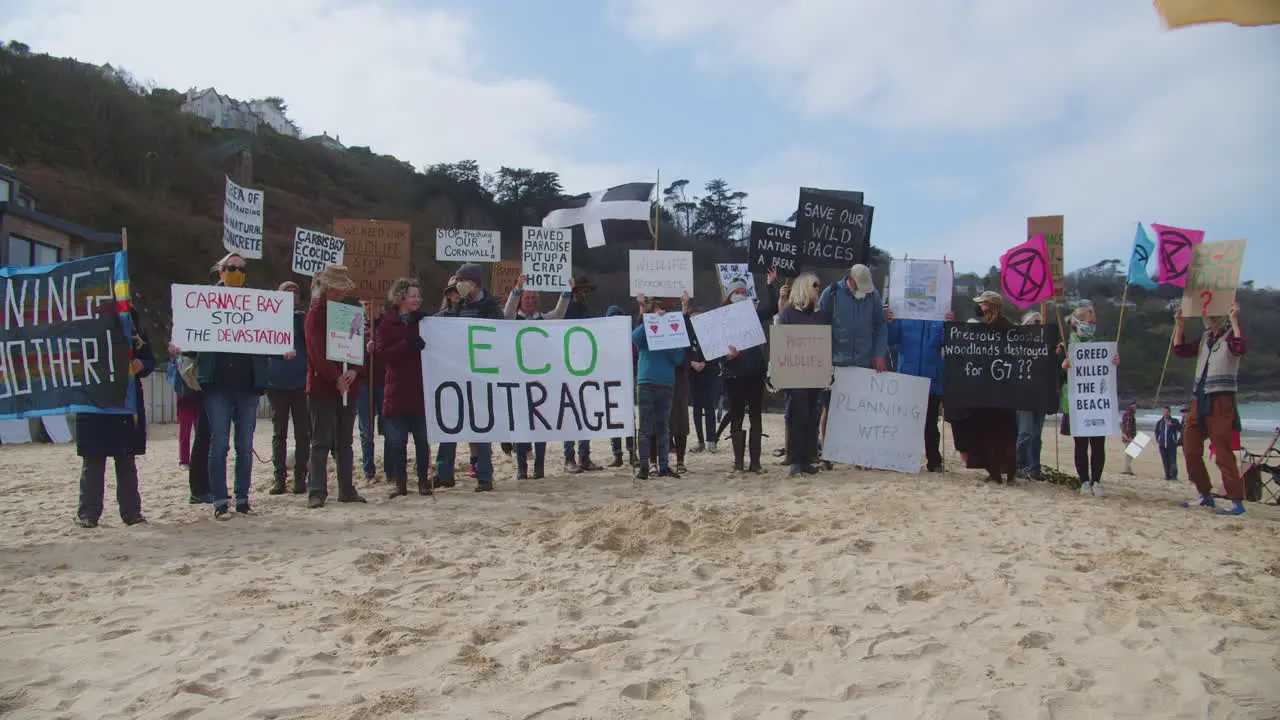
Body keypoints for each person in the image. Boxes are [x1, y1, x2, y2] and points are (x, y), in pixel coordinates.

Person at [170, 252, 284, 520]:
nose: (237, 273)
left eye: (242, 269)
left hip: (248, 384)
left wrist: (282, 351)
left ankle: (242, 499)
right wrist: (180, 345)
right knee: (219, 443)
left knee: (244, 443)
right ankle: (220, 500)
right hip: (217, 384)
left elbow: (269, 338)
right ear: (221, 271)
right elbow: (193, 338)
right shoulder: (204, 303)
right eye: (232, 268)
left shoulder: (256, 303)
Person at [75, 309, 155, 528]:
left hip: (126, 400)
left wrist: (143, 364)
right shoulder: (85, 318)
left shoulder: (131, 318)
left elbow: (149, 358)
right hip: (95, 399)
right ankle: (88, 514)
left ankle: (131, 512)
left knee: (126, 459)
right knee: (93, 459)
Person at [434, 262, 504, 491]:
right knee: (449, 423)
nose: (458, 285)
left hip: (481, 376)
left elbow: (500, 336)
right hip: (457, 373)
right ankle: (444, 473)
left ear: (473, 283)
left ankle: (485, 476)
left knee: (481, 425)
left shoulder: (492, 307)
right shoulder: (458, 306)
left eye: (461, 281)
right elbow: (443, 324)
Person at [1173, 303, 1248, 515]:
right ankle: (1204, 494)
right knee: (1190, 448)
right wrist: (1180, 325)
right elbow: (1181, 350)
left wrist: (1234, 321)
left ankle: (1236, 501)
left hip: (1221, 399)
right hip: (1200, 398)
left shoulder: (1231, 337)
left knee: (1223, 451)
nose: (1209, 318)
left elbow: (1240, 347)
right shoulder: (1205, 338)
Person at [303, 265, 367, 508]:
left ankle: (346, 488)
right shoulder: (315, 315)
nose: (341, 293)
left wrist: (353, 371)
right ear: (327, 288)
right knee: (320, 440)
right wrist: (334, 377)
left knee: (345, 441)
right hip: (322, 387)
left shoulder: (352, 313)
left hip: (349, 385)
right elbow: (316, 352)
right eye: (337, 289)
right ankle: (316, 490)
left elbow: (358, 347)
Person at [946, 292, 1019, 485]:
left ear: (990, 306)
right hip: (985, 388)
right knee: (987, 430)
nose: (980, 308)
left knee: (1002, 430)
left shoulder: (1005, 328)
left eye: (983, 304)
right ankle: (994, 470)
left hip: (1002, 388)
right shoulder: (983, 328)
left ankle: (1007, 470)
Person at [818, 264, 887, 466]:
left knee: (862, 410)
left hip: (864, 362)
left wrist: (879, 353)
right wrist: (822, 358)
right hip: (835, 362)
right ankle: (827, 455)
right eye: (859, 286)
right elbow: (821, 324)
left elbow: (880, 324)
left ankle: (860, 455)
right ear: (850, 279)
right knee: (830, 410)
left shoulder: (873, 295)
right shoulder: (830, 294)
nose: (862, 290)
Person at [504, 275, 572, 478]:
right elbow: (507, 312)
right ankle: (522, 468)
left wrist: (566, 292)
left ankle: (539, 467)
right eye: (526, 297)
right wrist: (516, 289)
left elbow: (559, 313)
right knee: (522, 426)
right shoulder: (511, 320)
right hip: (518, 379)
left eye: (533, 298)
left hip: (541, 380)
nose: (530, 301)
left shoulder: (545, 320)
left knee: (541, 425)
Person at [717, 268, 779, 473]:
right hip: (734, 375)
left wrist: (771, 285)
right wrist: (727, 358)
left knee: (756, 417)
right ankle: (737, 462)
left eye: (744, 292)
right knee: (736, 416)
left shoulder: (754, 315)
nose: (741, 295)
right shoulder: (721, 319)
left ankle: (755, 462)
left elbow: (772, 309)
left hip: (754, 374)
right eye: (737, 292)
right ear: (729, 296)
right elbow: (713, 349)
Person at [1059, 305, 1122, 497]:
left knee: (1098, 444)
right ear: (1078, 323)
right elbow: (1054, 377)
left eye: (1094, 322)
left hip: (1097, 403)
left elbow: (1104, 375)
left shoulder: (1099, 346)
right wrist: (1062, 367)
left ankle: (1097, 480)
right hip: (1076, 403)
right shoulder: (1065, 346)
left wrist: (1114, 362)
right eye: (1089, 322)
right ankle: (1084, 481)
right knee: (1081, 445)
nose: (1092, 325)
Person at [376, 277, 431, 498]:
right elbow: (382, 354)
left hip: (419, 389)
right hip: (397, 390)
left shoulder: (423, 322)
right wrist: (405, 345)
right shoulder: (387, 324)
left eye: (418, 296)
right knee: (397, 442)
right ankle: (400, 483)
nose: (417, 300)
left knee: (422, 441)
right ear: (401, 298)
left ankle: (423, 481)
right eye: (413, 296)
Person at [886, 304, 953, 474]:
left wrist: (950, 325)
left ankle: (934, 460)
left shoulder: (939, 317)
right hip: (908, 377)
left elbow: (949, 342)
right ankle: (904, 458)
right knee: (906, 422)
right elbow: (891, 339)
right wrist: (889, 322)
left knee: (930, 424)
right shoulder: (904, 316)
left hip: (932, 378)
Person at [776, 272, 827, 476]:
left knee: (812, 416)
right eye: (815, 285)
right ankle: (796, 460)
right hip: (795, 374)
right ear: (805, 287)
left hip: (814, 374)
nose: (818, 289)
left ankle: (807, 459)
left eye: (819, 285)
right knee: (799, 415)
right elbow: (780, 342)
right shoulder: (788, 314)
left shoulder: (819, 314)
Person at [632, 293, 687, 479]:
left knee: (664, 428)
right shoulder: (644, 330)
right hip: (646, 383)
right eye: (656, 310)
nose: (660, 313)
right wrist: (650, 321)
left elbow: (679, 358)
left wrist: (668, 339)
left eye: (662, 310)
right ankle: (644, 467)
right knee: (646, 428)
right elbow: (635, 338)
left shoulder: (672, 334)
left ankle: (664, 466)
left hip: (665, 384)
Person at [266, 280, 310, 495]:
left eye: (295, 292)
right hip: (275, 382)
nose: (291, 296)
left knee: (302, 432)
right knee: (279, 433)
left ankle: (300, 476)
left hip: (300, 383)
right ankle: (279, 477)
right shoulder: (269, 319)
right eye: (286, 292)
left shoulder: (302, 319)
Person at [560, 274, 603, 473]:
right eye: (583, 290)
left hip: (585, 363)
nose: (586, 294)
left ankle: (584, 455)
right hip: (568, 363)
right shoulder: (566, 307)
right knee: (571, 412)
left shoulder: (585, 309)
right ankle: (569, 456)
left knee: (585, 412)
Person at [1011, 312, 1048, 479]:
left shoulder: (1046, 345)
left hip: (1041, 393)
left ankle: (1034, 468)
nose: (1038, 324)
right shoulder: (1018, 345)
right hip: (1023, 393)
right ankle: (1019, 465)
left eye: (1040, 322)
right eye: (1035, 322)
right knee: (1025, 431)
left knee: (1037, 434)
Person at [353, 300, 385, 483]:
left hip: (383, 382)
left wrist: (378, 348)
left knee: (388, 427)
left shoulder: (387, 324)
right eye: (365, 304)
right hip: (364, 383)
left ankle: (391, 469)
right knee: (366, 430)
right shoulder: (355, 324)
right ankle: (368, 470)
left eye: (373, 304)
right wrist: (364, 351)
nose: (369, 308)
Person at [604, 304, 640, 468]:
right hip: (610, 382)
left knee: (628, 419)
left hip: (626, 382)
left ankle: (632, 453)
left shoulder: (630, 338)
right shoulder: (604, 340)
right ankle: (617, 454)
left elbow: (636, 358)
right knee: (614, 419)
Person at [686, 304, 719, 454]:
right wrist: (691, 363)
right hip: (693, 375)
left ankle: (711, 440)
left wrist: (705, 363)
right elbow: (683, 354)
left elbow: (717, 352)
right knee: (697, 408)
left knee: (709, 407)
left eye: (698, 317)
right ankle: (700, 441)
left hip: (709, 373)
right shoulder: (687, 335)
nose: (695, 320)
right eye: (693, 317)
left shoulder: (711, 334)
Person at [167, 355, 201, 471]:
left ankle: (198, 459)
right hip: (185, 398)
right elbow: (172, 377)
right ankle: (184, 460)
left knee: (200, 431)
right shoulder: (178, 359)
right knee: (185, 432)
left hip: (199, 397)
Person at [1155, 406, 1183, 481]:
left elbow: (1180, 429)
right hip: (1162, 445)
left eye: (1167, 412)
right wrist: (1157, 438)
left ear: (1170, 412)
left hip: (1172, 444)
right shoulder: (1160, 422)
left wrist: (1172, 425)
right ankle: (1167, 475)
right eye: (1164, 412)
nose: (1166, 413)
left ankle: (1174, 476)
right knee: (1165, 461)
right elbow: (1156, 431)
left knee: (1173, 461)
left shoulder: (1174, 421)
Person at [1120, 401, 1138, 475]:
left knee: (1130, 452)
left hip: (1127, 435)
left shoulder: (1128, 414)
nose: (1136, 409)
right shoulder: (1129, 415)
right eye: (1135, 407)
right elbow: (1127, 426)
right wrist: (1128, 436)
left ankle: (1128, 469)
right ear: (1132, 407)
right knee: (1130, 453)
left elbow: (1122, 425)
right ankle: (1127, 469)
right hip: (1129, 436)